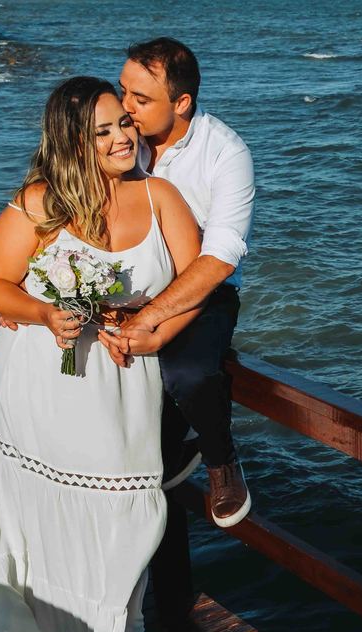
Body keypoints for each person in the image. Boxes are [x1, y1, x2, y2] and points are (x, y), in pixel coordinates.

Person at [0, 76, 203, 632]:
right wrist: (44, 312)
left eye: (123, 124)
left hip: (124, 384)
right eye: (102, 131)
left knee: (127, 516)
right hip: (43, 382)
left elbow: (196, 284)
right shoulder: (38, 203)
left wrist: (152, 329)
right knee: (52, 515)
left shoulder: (161, 197)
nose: (121, 137)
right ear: (72, 140)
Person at [99, 37, 255, 528]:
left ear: (182, 102)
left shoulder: (225, 153)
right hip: (124, 278)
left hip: (200, 290)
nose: (126, 108)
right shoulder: (120, 137)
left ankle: (221, 461)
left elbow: (221, 258)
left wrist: (149, 319)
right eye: (123, 91)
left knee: (186, 373)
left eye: (140, 99)